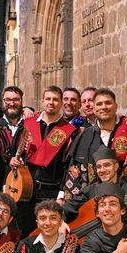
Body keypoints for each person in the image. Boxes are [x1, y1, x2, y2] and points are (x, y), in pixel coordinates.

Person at [10, 86, 78, 235]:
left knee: (48, 234)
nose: (51, 102)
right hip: (25, 189)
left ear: (61, 103)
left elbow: (68, 167)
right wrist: (13, 160)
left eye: (55, 100)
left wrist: (61, 196)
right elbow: (13, 151)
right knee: (24, 232)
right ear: (42, 101)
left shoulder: (69, 131)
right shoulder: (27, 124)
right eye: (48, 99)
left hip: (51, 192)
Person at [62, 88, 127, 200]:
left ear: (116, 106)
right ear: (94, 108)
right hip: (93, 203)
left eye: (108, 103)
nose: (104, 107)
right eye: (99, 104)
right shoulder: (84, 137)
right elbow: (74, 174)